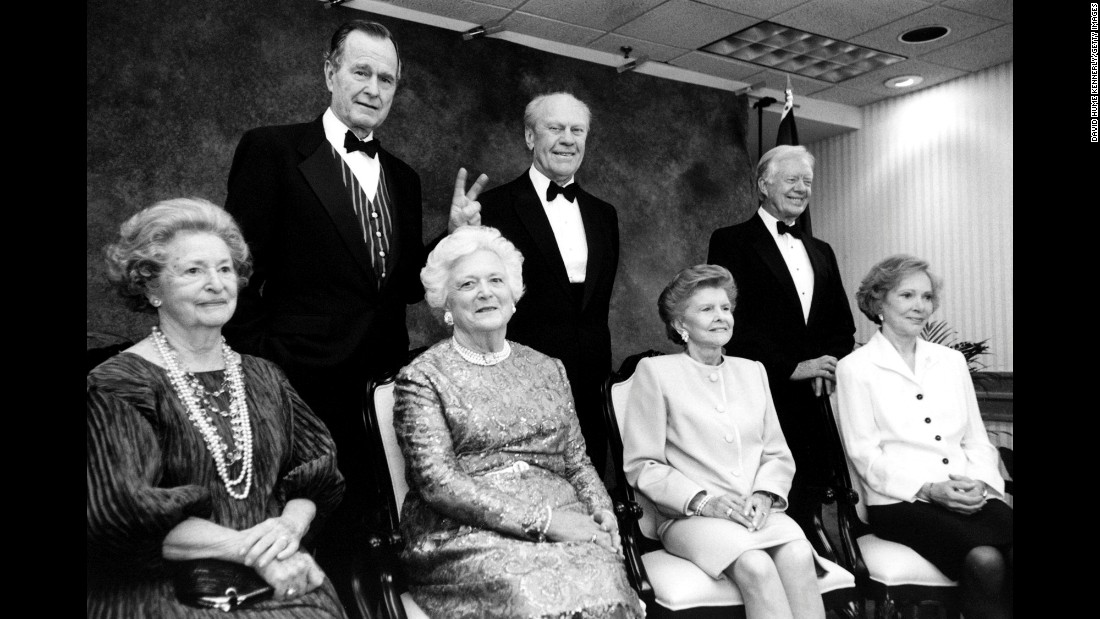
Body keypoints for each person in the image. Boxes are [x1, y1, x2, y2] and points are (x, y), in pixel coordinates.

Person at [220, 20, 483, 606]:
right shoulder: (272, 150)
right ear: (329, 72)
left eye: (386, 78)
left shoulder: (405, 178)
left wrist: (450, 237)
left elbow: (403, 285)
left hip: (381, 388)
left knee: (373, 532)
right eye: (361, 71)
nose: (374, 87)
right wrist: (267, 363)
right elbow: (233, 272)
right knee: (301, 539)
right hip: (299, 386)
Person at [88, 198, 347, 618]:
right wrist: (249, 550)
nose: (216, 283)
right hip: (167, 593)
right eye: (193, 270)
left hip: (279, 579)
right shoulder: (118, 385)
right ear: (150, 286)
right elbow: (124, 515)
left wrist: (288, 529)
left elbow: (316, 477)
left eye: (225, 269)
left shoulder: (266, 377)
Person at [392, 225, 644, 618]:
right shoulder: (423, 377)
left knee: (606, 583)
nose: (485, 292)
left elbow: (577, 461)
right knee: (528, 592)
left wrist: (602, 515)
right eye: (467, 285)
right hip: (466, 533)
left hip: (566, 520)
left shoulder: (548, 369)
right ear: (446, 305)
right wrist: (545, 522)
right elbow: (437, 482)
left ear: (513, 296)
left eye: (496, 280)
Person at [623, 264, 826, 619]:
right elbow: (643, 465)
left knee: (797, 555)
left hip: (756, 512)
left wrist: (765, 494)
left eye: (725, 308)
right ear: (679, 325)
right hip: (690, 517)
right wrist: (704, 502)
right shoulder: (656, 373)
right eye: (706, 309)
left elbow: (777, 452)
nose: (721, 317)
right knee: (756, 566)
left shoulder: (753, 371)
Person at [836, 255, 1012, 619]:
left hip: (968, 493)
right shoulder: (855, 368)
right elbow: (865, 455)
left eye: (927, 297)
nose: (920, 306)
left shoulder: (951, 362)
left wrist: (979, 482)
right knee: (986, 560)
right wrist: (929, 489)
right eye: (907, 296)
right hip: (902, 503)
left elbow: (977, 439)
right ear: (878, 303)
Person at [452, 92, 619, 476]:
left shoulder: (604, 214)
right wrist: (454, 234)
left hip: (591, 380)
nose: (568, 139)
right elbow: (444, 278)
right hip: (519, 378)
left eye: (577, 130)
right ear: (530, 137)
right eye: (555, 128)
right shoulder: (492, 207)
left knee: (587, 482)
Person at [706, 145, 855, 548]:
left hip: (816, 401)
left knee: (809, 493)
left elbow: (843, 324)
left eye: (807, 181)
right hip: (761, 393)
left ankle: (810, 568)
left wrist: (828, 366)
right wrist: (793, 367)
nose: (801, 188)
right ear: (763, 185)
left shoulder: (822, 250)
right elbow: (730, 322)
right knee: (765, 491)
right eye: (791, 179)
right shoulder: (731, 241)